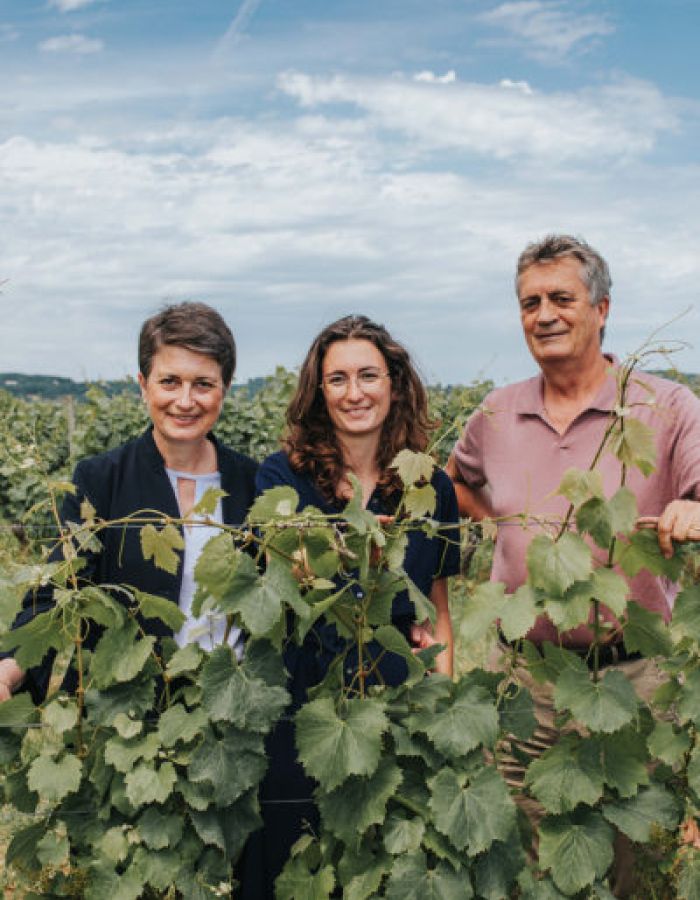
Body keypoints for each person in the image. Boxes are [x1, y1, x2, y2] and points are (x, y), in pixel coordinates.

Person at [446, 233, 700, 893]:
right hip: (526, 684)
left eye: (562, 297)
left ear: (603, 308)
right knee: (531, 859)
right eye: (530, 302)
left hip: (636, 685)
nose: (544, 314)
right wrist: (503, 531)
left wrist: (688, 511)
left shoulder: (665, 408)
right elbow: (457, 483)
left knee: (636, 865)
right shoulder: (497, 412)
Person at [238, 314, 460, 897]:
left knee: (382, 862)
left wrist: (444, 699)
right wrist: (355, 538)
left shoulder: (429, 486)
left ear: (395, 383)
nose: (354, 392)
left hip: (396, 696)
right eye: (337, 379)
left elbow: (436, 606)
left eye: (368, 375)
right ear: (319, 391)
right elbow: (298, 575)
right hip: (306, 700)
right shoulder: (281, 476)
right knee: (298, 859)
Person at [0, 301, 258, 703]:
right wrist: (9, 669)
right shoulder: (100, 481)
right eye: (169, 381)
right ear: (143, 385)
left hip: (235, 707)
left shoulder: (253, 482)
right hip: (133, 714)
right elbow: (59, 595)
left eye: (203, 384)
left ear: (225, 387)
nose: (186, 401)